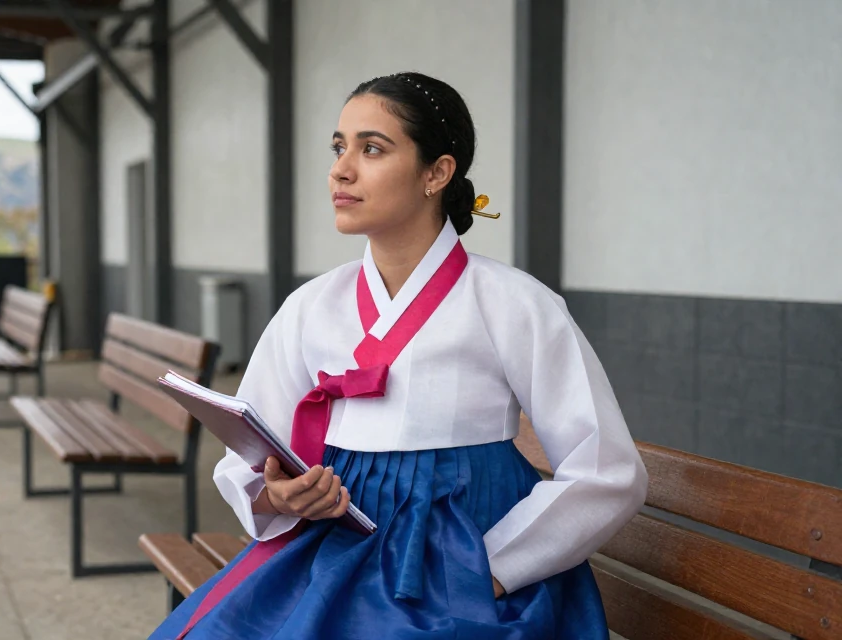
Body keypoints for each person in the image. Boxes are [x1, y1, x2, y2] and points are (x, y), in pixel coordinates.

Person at [149, 72, 648, 640]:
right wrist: (277, 494)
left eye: (372, 148)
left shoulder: (514, 303)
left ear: (436, 172)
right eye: (339, 147)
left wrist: (501, 568)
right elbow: (250, 446)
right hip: (336, 546)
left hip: (466, 560)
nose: (341, 168)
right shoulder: (311, 307)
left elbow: (607, 469)